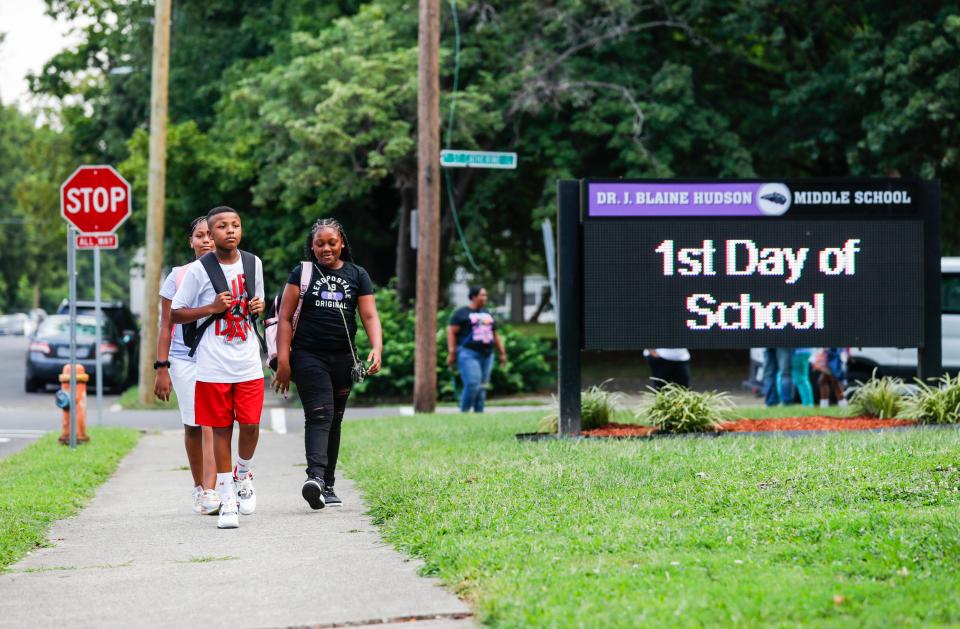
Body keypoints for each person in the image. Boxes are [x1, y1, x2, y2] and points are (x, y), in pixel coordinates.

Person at [272, 218, 383, 511]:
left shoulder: (357, 275)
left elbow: (369, 316)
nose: (326, 248)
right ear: (312, 246)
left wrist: (377, 348)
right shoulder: (302, 273)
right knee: (320, 415)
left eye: (331, 242)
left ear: (342, 243)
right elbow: (284, 318)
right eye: (320, 243)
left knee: (335, 419)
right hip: (309, 356)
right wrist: (284, 360)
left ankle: (328, 485)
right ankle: (315, 479)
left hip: (343, 358)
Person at [171, 206, 265, 529]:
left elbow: (258, 306)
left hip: (248, 359)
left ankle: (243, 471)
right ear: (211, 234)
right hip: (212, 362)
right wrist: (211, 308)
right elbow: (176, 314)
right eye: (222, 226)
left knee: (251, 424)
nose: (230, 231)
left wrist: (258, 306)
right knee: (222, 428)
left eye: (235, 225)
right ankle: (226, 498)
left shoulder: (254, 263)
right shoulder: (199, 270)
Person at [154, 216, 219, 515]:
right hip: (183, 360)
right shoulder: (177, 277)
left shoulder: (228, 272)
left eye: (210, 235)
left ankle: (212, 491)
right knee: (193, 425)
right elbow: (166, 326)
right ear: (190, 241)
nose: (206, 240)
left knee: (212, 425)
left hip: (217, 357)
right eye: (199, 236)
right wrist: (162, 368)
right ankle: (199, 486)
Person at [447, 287, 507, 413]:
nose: (485, 298)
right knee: (473, 383)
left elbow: (495, 334)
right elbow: (451, 332)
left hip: (487, 354)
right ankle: (464, 413)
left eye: (486, 295)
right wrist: (452, 352)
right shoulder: (462, 313)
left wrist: (502, 352)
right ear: (474, 296)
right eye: (482, 295)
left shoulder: (487, 313)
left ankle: (479, 414)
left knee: (482, 386)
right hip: (468, 353)